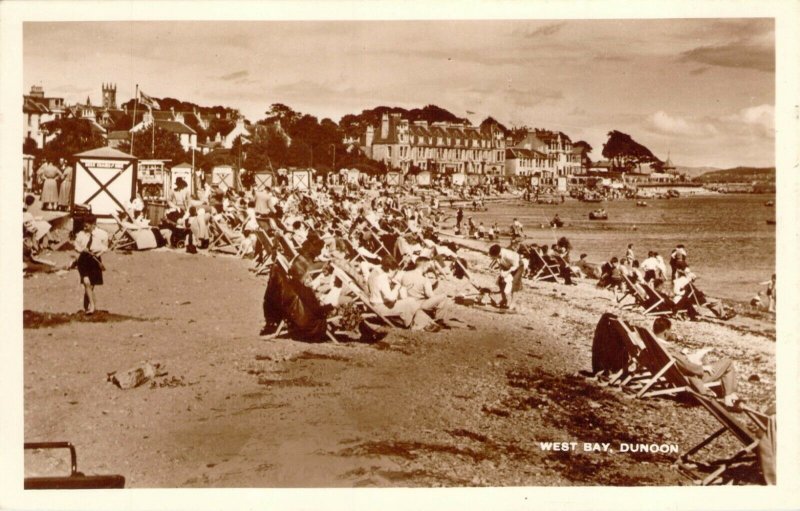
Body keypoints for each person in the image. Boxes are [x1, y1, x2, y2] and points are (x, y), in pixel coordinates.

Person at [651, 317, 741, 409]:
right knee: (728, 363)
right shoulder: (668, 349)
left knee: (703, 357)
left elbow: (678, 361)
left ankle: (728, 393)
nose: (671, 333)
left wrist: (684, 354)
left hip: (676, 374)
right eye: (670, 331)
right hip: (691, 377)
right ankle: (729, 398)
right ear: (666, 332)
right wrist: (703, 368)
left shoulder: (654, 343)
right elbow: (686, 366)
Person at [73, 214, 109, 314]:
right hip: (83, 260)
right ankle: (92, 306)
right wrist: (81, 249)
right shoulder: (81, 234)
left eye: (86, 226)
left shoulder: (103, 234)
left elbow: (105, 248)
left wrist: (98, 253)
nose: (84, 228)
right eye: (83, 226)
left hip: (95, 260)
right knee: (86, 282)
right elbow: (76, 245)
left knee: (91, 286)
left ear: (93, 225)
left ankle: (88, 305)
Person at [488, 244, 524, 309]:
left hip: (518, 265)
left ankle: (513, 303)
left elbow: (515, 265)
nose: (494, 258)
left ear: (498, 253)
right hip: (507, 265)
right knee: (501, 282)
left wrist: (507, 272)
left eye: (494, 256)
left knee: (514, 283)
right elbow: (500, 264)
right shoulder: (497, 256)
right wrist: (502, 272)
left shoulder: (508, 255)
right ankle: (504, 299)